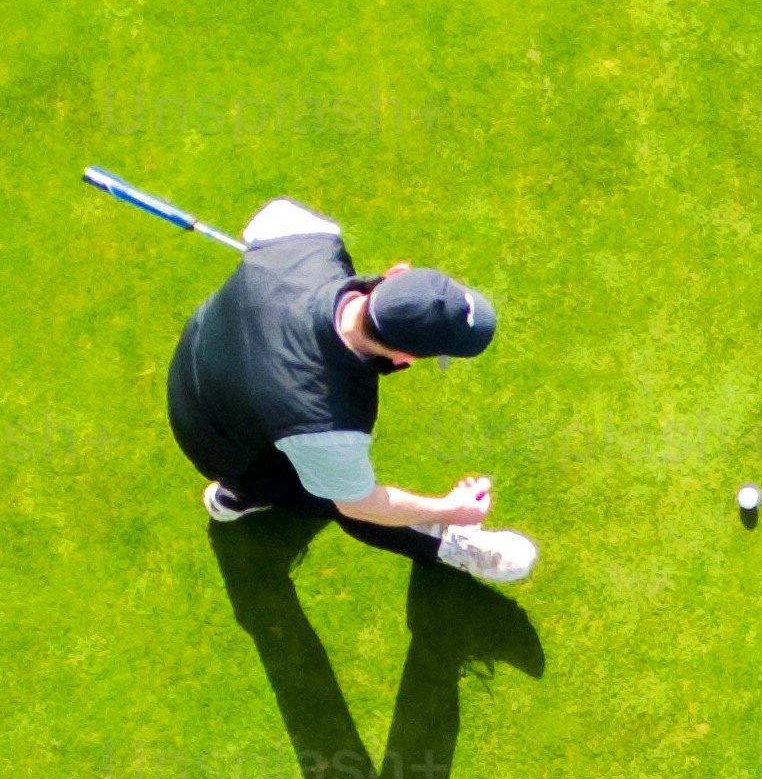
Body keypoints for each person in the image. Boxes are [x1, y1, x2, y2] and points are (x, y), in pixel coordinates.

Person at [163, 199, 538, 583]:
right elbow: (360, 504)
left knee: (306, 462)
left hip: (200, 356)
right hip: (218, 439)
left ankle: (238, 496)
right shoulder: (326, 422)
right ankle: (241, 494)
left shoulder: (306, 236)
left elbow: (270, 215)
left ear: (397, 273)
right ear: (406, 357)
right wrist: (450, 508)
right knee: (330, 495)